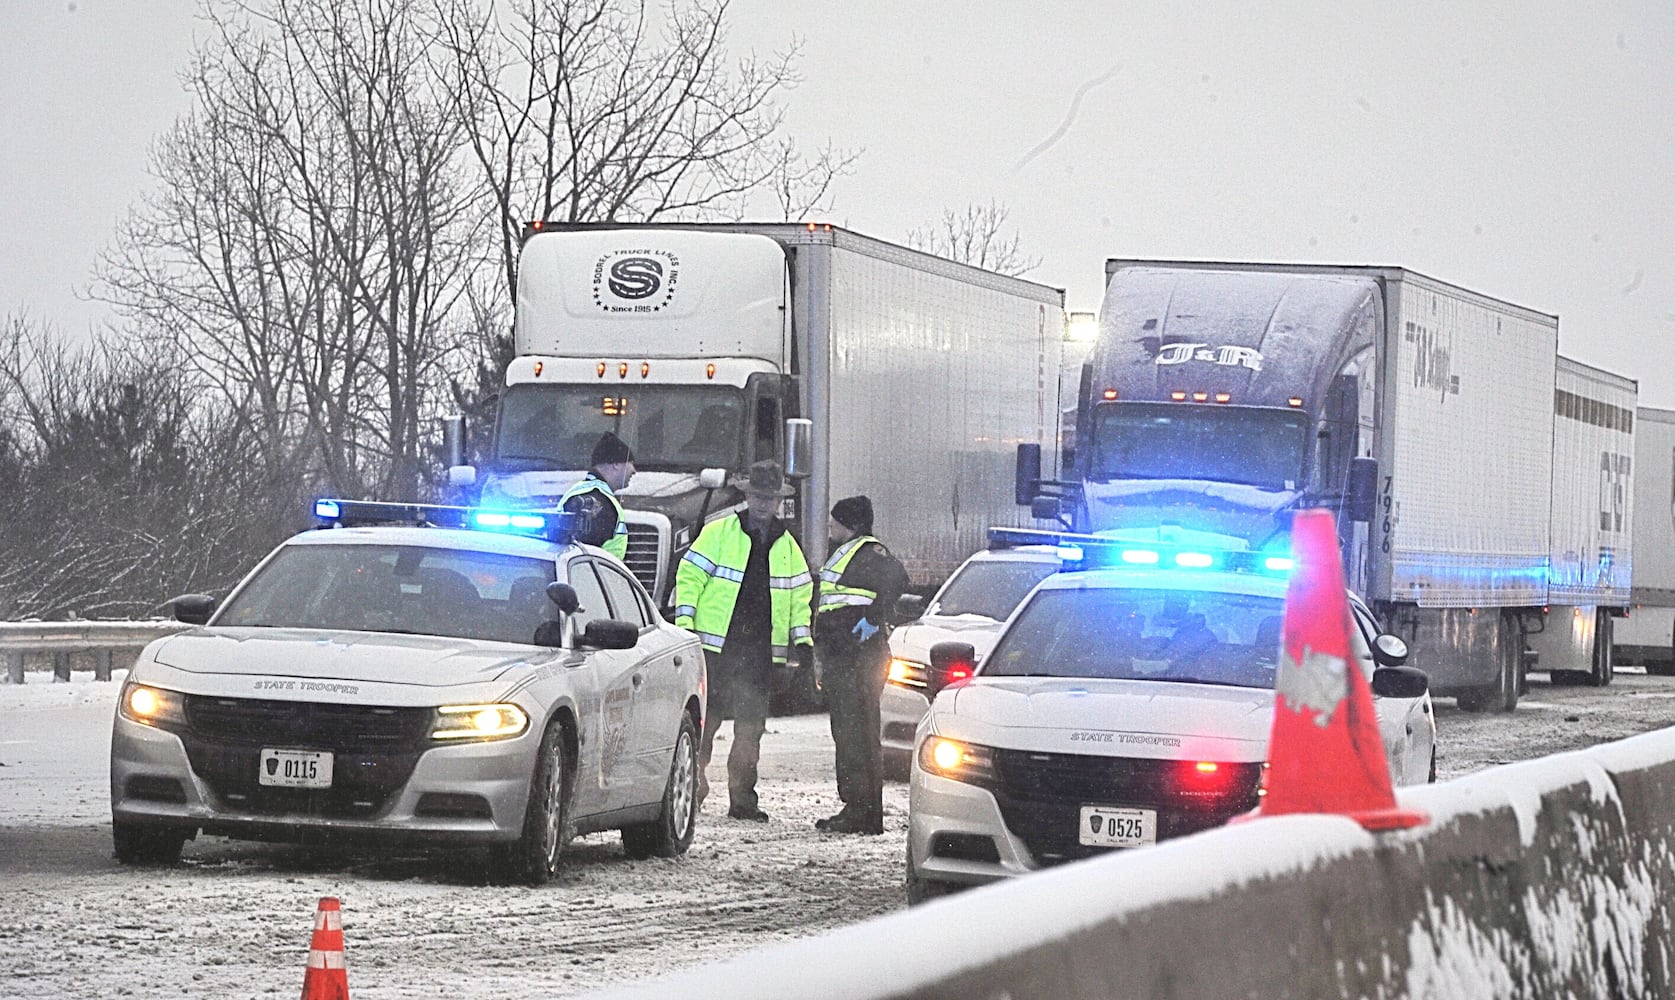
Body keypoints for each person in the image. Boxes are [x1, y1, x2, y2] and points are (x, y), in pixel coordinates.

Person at [673, 460, 815, 822]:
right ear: (747, 495)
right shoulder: (719, 532)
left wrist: (803, 642)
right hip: (718, 649)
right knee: (705, 726)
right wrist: (686, 624)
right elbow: (689, 576)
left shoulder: (787, 545)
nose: (763, 503)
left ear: (778, 500)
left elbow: (800, 596)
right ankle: (692, 789)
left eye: (769, 497)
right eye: (757, 495)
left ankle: (742, 801)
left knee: (749, 732)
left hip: (759, 654)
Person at [813, 495, 908, 835]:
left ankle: (864, 812)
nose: (829, 525)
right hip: (845, 658)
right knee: (848, 732)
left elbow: (898, 579)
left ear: (851, 526)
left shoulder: (870, 552)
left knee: (859, 734)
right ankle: (857, 807)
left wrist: (873, 617)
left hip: (860, 658)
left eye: (835, 521)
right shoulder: (846, 552)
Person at [559, 432, 635, 559]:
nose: (634, 470)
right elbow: (585, 555)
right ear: (615, 464)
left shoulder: (580, 490)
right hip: (593, 576)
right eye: (630, 463)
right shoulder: (598, 502)